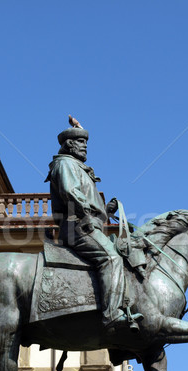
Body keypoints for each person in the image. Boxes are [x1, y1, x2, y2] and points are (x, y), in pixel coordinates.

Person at [45, 117, 143, 330]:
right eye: (81, 143)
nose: (85, 148)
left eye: (86, 143)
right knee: (111, 258)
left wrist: (105, 211)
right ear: (70, 144)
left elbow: (83, 199)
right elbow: (70, 192)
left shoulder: (78, 167)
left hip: (85, 224)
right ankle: (112, 314)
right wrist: (88, 212)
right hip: (76, 227)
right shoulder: (65, 164)